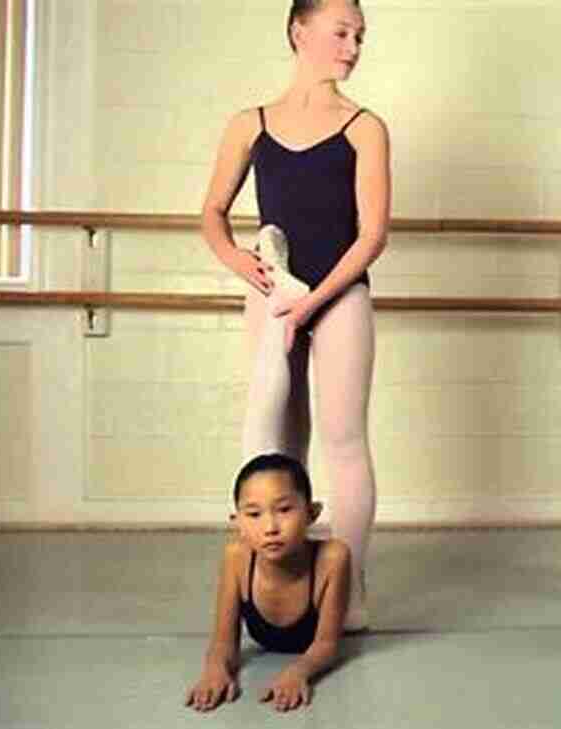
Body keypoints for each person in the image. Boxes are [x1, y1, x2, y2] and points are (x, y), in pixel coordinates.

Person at [199, 0, 389, 628]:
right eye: (341, 32)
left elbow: (372, 235)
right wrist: (241, 265)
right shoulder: (249, 123)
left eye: (359, 36)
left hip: (338, 292)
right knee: (278, 438)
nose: (353, 46)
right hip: (274, 289)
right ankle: (274, 580)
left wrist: (315, 299)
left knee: (344, 438)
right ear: (298, 32)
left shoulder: (365, 127)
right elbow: (213, 215)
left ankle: (349, 588)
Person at [185, 453, 351, 713]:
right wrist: (214, 670)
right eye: (253, 514)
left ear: (312, 513)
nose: (270, 527)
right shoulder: (237, 557)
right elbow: (223, 642)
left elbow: (327, 644)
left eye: (284, 510)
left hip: (318, 632)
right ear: (237, 522)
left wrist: (298, 672)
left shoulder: (333, 557)